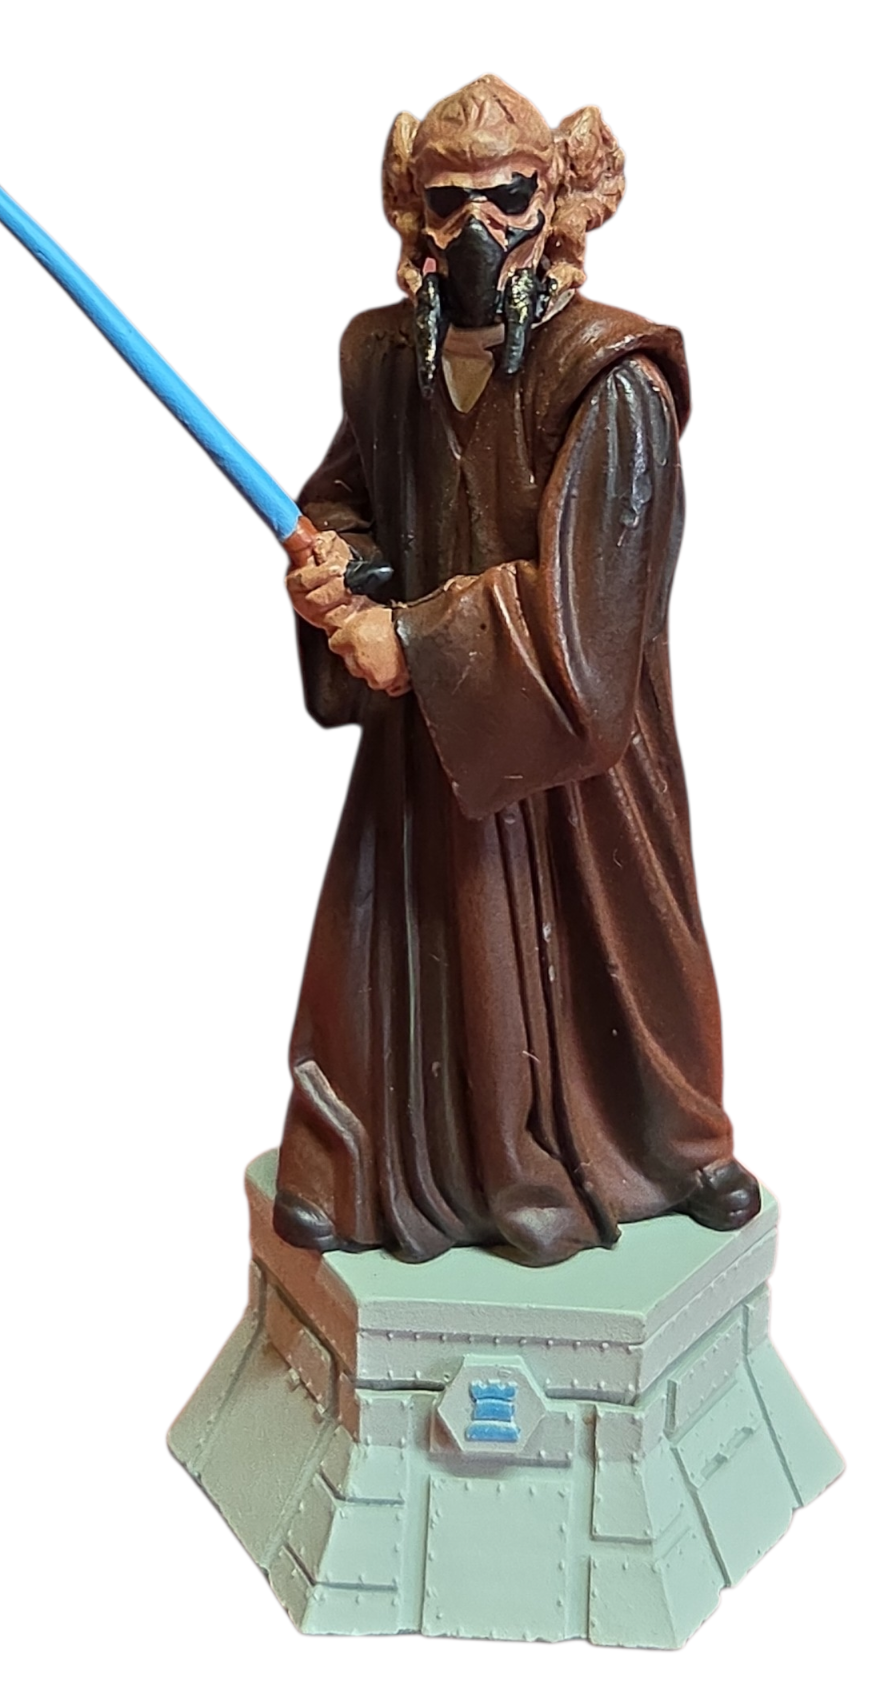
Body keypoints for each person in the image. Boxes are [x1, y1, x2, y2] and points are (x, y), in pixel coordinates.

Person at [274, 76, 759, 1266]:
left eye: (506, 197)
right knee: (415, 936)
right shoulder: (383, 358)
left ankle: (663, 1149)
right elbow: (347, 498)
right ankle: (391, 1161)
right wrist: (335, 568)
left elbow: (592, 605)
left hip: (574, 743)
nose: (475, 229)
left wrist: (416, 638)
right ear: (413, 213)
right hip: (428, 749)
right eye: (448, 202)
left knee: (615, 950)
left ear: (556, 203)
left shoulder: (609, 379)